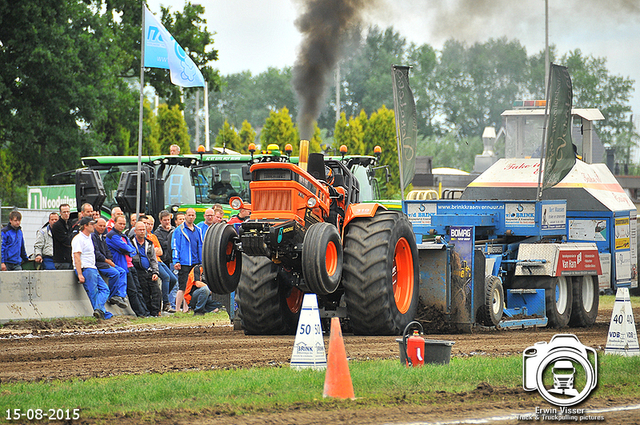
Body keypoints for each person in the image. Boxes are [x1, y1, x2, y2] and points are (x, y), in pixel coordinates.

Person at [106, 215, 149, 317]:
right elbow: (127, 248)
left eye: (123, 224)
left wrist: (128, 250)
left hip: (130, 265)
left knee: (138, 290)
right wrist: (128, 250)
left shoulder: (123, 236)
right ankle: (141, 313)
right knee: (133, 291)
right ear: (114, 223)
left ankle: (145, 312)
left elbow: (132, 249)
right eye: (120, 224)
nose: (122, 226)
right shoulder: (112, 235)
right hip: (122, 266)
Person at [71, 217, 112, 320]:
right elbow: (77, 257)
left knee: (105, 289)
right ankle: (101, 312)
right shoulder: (78, 239)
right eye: (92, 224)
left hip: (92, 268)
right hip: (86, 269)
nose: (94, 226)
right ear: (85, 226)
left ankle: (100, 310)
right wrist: (80, 274)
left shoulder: (89, 237)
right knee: (93, 293)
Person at [172, 208, 204, 313]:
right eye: (189, 215)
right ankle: (177, 309)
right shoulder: (179, 230)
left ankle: (186, 308)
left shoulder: (198, 230)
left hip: (195, 262)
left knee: (191, 286)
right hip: (184, 262)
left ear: (195, 216)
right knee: (182, 286)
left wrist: (201, 262)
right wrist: (176, 260)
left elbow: (200, 245)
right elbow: (175, 246)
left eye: (192, 215)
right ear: (185, 216)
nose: (191, 217)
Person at [92, 218, 128, 309]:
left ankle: (120, 295)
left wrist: (110, 259)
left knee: (123, 271)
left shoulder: (102, 237)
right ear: (95, 225)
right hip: (99, 263)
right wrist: (107, 260)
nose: (102, 228)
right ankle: (113, 296)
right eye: (100, 225)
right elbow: (96, 253)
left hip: (107, 262)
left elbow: (107, 251)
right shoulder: (93, 236)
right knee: (115, 273)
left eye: (104, 226)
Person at [143, 215, 176, 313]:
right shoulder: (144, 237)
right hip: (153, 262)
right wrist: (153, 250)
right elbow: (148, 252)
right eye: (147, 224)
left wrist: (153, 250)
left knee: (173, 279)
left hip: (159, 260)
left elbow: (160, 251)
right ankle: (166, 303)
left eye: (151, 224)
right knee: (166, 277)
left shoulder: (153, 236)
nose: (149, 226)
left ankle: (163, 296)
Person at [131, 221, 162, 317]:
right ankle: (148, 312)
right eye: (140, 230)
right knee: (145, 293)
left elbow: (153, 259)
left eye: (143, 230)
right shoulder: (131, 242)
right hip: (138, 271)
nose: (142, 232)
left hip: (149, 270)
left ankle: (156, 312)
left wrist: (155, 272)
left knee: (156, 291)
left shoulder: (149, 243)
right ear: (135, 231)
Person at [155, 210, 177, 310]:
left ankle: (166, 296)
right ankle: (166, 301)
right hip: (163, 259)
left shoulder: (174, 229)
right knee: (166, 278)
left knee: (173, 280)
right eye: (165, 220)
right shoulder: (157, 232)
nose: (167, 222)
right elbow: (164, 244)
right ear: (160, 220)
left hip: (172, 258)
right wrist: (170, 236)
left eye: (168, 220)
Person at [51, 203, 73, 269]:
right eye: (64, 212)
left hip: (70, 258)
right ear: (60, 213)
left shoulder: (70, 224)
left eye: (68, 212)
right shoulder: (57, 226)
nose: (66, 214)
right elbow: (65, 241)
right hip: (61, 260)